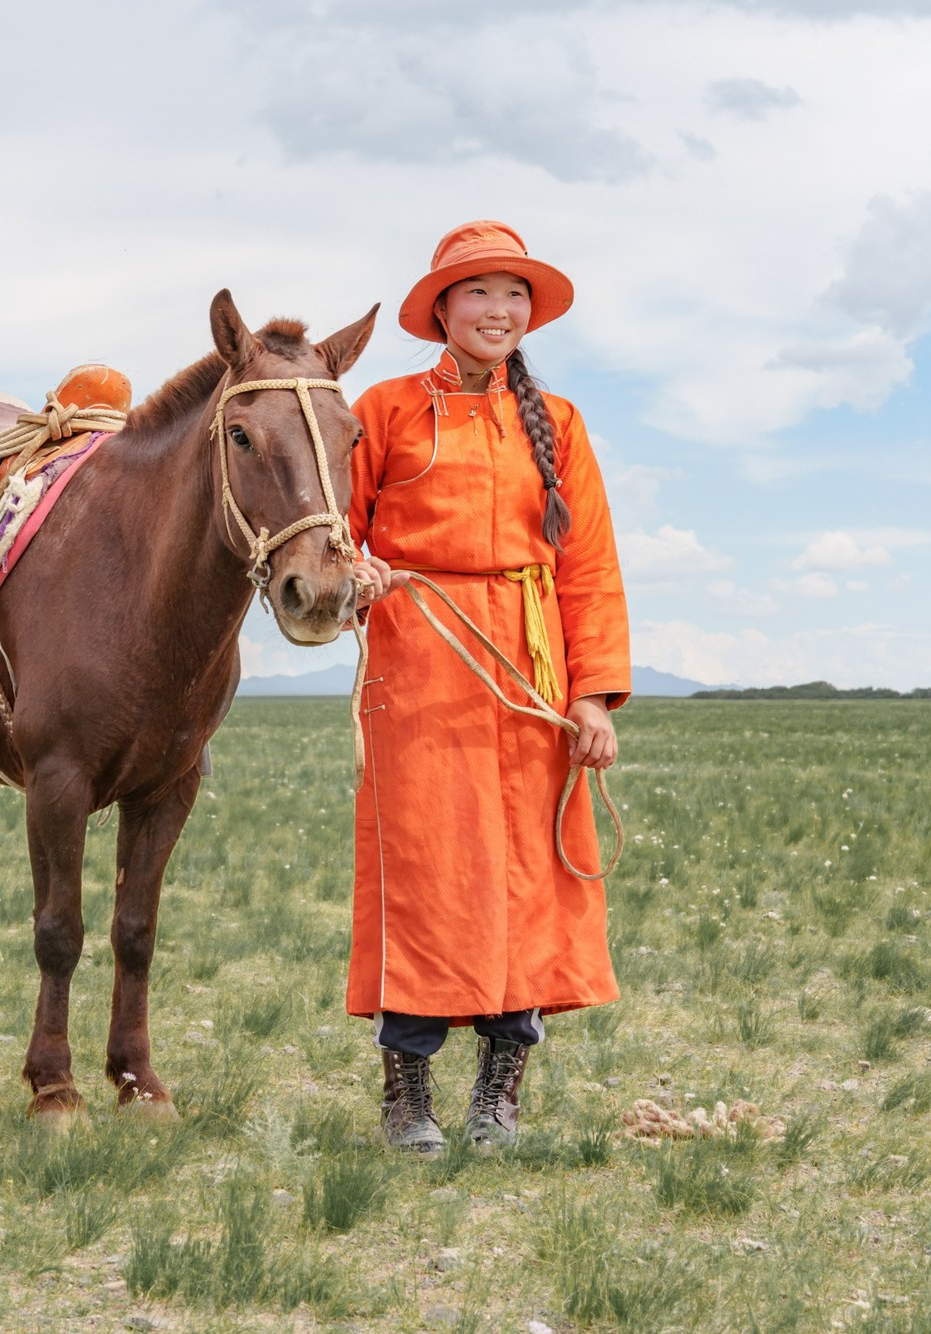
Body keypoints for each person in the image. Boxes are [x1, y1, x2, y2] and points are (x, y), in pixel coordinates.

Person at [345, 220, 630, 1156]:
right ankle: (407, 1095)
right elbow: (332, 538)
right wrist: (362, 575)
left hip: (533, 671)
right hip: (418, 661)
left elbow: (586, 565)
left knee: (527, 880)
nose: (497, 309)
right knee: (426, 876)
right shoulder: (382, 410)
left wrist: (592, 696)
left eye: (513, 294)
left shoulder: (563, 424)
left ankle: (499, 1095)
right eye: (477, 292)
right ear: (440, 310)